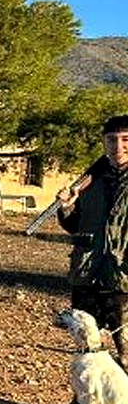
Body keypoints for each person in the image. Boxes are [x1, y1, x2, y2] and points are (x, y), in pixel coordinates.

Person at [58, 114, 128, 369]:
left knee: (126, 353)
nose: (118, 146)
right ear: (103, 142)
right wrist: (66, 207)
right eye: (111, 140)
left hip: (124, 281)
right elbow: (74, 226)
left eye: (125, 139)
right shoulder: (89, 182)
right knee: (85, 350)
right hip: (88, 274)